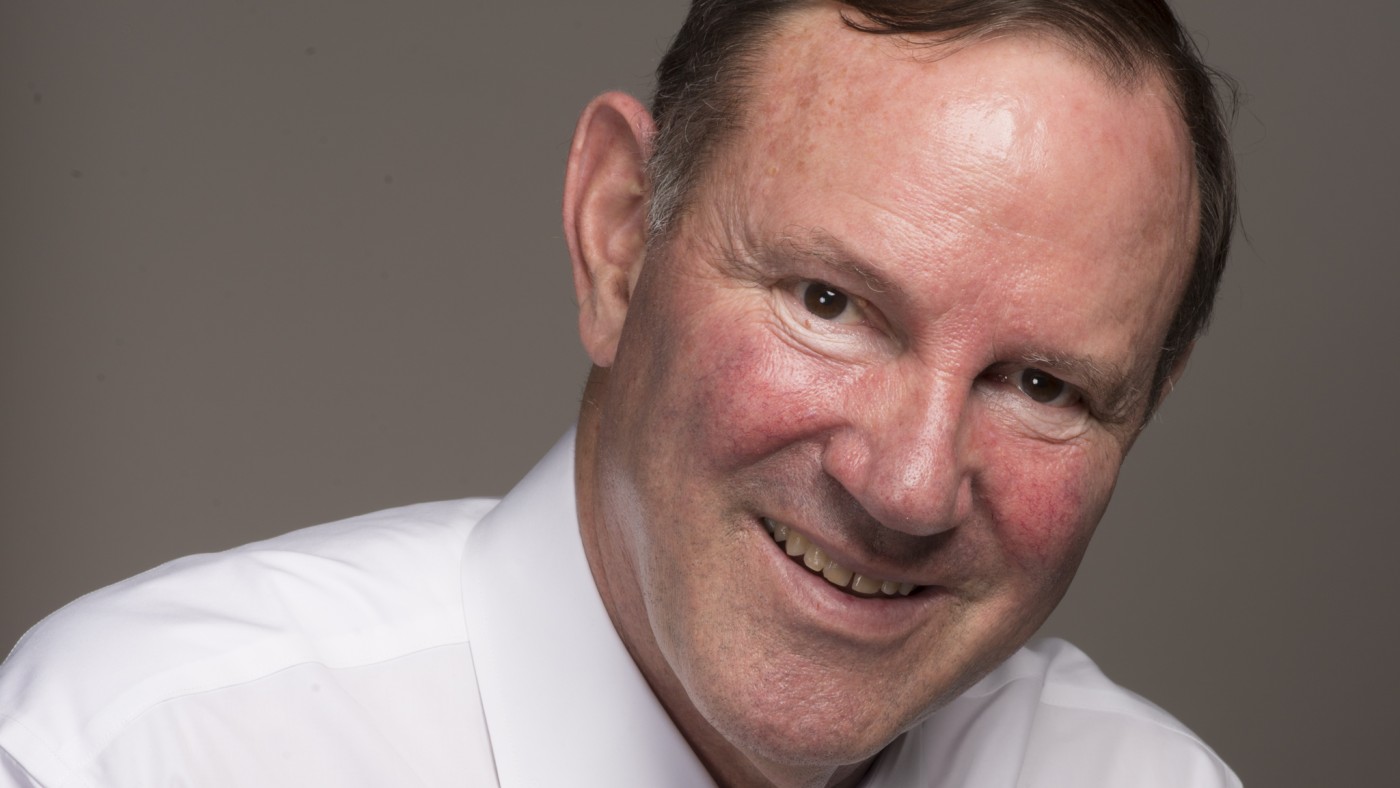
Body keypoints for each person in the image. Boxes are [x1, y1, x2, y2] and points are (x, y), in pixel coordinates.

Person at [0, 1, 1240, 786]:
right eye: (827, 301)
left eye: (1040, 384)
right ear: (616, 238)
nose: (908, 486)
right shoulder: (139, 750)